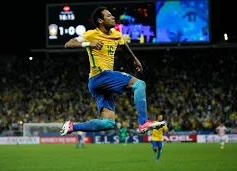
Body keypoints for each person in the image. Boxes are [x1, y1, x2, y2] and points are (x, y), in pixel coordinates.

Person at [60, 6, 165, 136]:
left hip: (97, 85)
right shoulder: (91, 34)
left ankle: (72, 127)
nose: (113, 17)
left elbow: (123, 45)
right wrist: (89, 44)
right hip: (100, 76)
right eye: (108, 16)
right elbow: (68, 44)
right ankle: (143, 122)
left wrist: (135, 59)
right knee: (139, 84)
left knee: (108, 123)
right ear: (100, 20)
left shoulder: (115, 34)